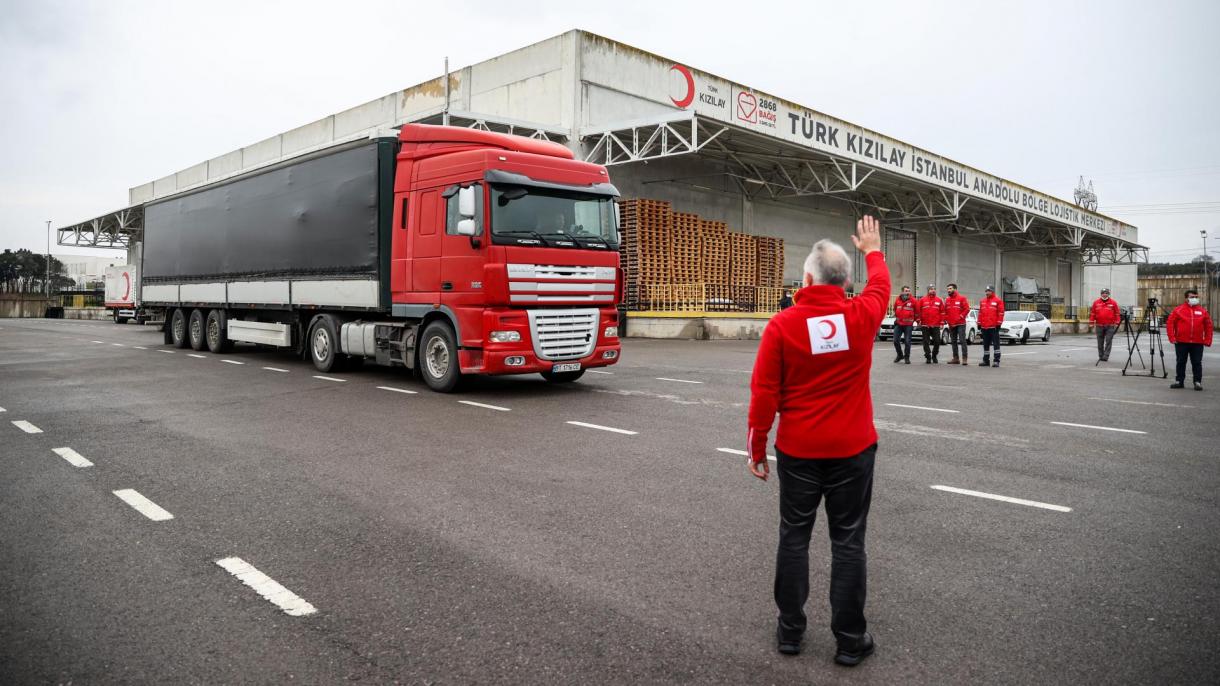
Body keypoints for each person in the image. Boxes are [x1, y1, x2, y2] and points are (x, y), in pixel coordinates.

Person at [748, 215, 888, 667]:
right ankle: (850, 640)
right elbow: (881, 285)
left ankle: (790, 632)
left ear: (806, 277)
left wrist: (756, 448)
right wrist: (873, 248)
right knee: (848, 543)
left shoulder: (783, 325)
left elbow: (764, 393)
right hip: (853, 450)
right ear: (846, 281)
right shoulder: (862, 313)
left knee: (794, 537)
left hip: (799, 451)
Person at [1166, 289, 1213, 390]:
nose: (1194, 299)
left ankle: (1197, 382)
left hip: (1197, 342)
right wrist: (1172, 337)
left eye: (1196, 297)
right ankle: (1179, 381)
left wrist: (1208, 340)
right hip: (1181, 342)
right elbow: (1170, 323)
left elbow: (1208, 326)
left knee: (1197, 362)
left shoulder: (1202, 311)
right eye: (1192, 297)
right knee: (1181, 362)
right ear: (1186, 298)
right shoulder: (1178, 310)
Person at [1089, 288, 1121, 362]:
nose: (1104, 294)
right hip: (1099, 325)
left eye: (1106, 293)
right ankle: (1101, 355)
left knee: (1108, 341)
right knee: (1100, 341)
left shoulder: (1113, 303)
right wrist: (1091, 322)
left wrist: (1117, 322)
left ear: (1108, 294)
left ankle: (1106, 356)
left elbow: (1117, 313)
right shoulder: (1096, 302)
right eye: (1103, 293)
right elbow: (1093, 313)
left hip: (1110, 325)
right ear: (1101, 294)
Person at [916, 284, 945, 363]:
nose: (933, 290)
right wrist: (918, 320)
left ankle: (934, 355)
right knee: (926, 342)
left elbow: (942, 312)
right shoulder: (922, 300)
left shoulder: (939, 300)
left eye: (934, 289)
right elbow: (918, 312)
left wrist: (942, 322)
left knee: (937, 341)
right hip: (925, 325)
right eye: (931, 289)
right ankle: (928, 356)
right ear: (928, 290)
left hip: (935, 325)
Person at [943, 283, 971, 365]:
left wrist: (960, 317)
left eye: (950, 288)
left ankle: (964, 358)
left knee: (962, 341)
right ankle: (956, 358)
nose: (949, 290)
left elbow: (966, 309)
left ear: (955, 289)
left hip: (960, 324)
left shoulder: (962, 298)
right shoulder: (947, 300)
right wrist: (947, 319)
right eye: (948, 289)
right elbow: (945, 312)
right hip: (951, 324)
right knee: (953, 341)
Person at [977, 285, 1004, 367]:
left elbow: (1001, 313)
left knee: (996, 344)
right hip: (984, 327)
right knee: (985, 345)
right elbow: (980, 313)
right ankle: (986, 360)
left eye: (989, 291)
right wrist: (979, 323)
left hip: (993, 327)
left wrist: (999, 324)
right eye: (986, 291)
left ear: (992, 292)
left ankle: (996, 361)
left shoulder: (998, 301)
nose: (987, 292)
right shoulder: (982, 301)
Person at [892, 286, 916, 364]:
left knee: (907, 341)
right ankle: (900, 355)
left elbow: (917, 312)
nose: (907, 292)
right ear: (902, 292)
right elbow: (895, 309)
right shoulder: (897, 300)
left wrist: (916, 320)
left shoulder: (913, 300)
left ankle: (907, 357)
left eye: (909, 291)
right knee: (895, 340)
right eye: (906, 291)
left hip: (908, 324)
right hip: (898, 324)